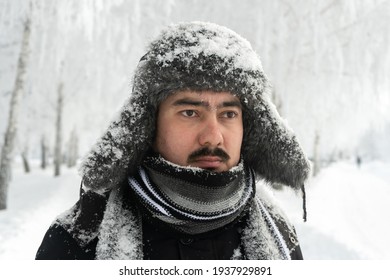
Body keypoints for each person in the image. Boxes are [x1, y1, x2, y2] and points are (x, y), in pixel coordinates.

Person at [36, 22, 311, 260]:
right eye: (189, 112)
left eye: (228, 113)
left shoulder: (278, 231)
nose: (213, 136)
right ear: (149, 125)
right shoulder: (77, 240)